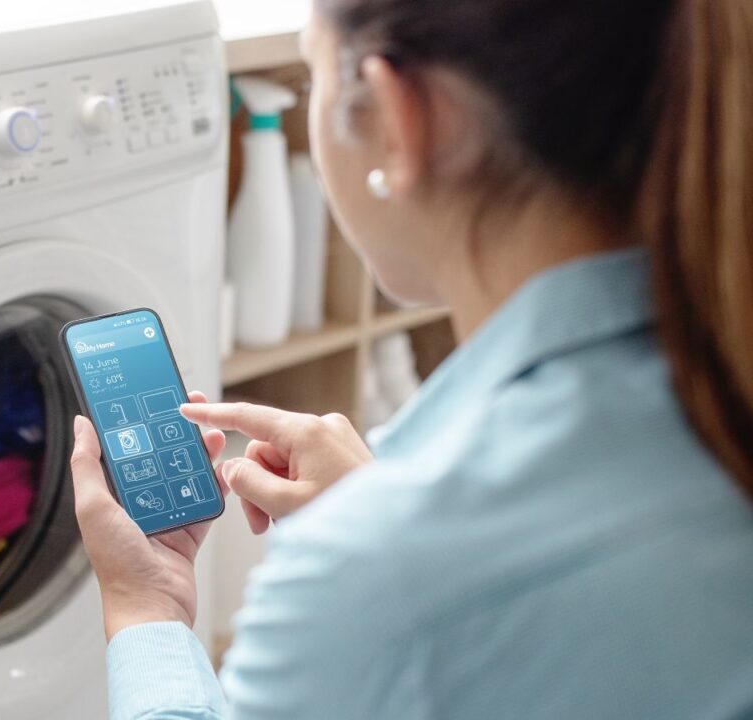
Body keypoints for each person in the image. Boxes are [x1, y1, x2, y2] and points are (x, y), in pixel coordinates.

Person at [68, 0, 753, 717]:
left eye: (315, 72)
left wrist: (146, 603)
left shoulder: (369, 580)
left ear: (398, 120)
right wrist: (381, 509)